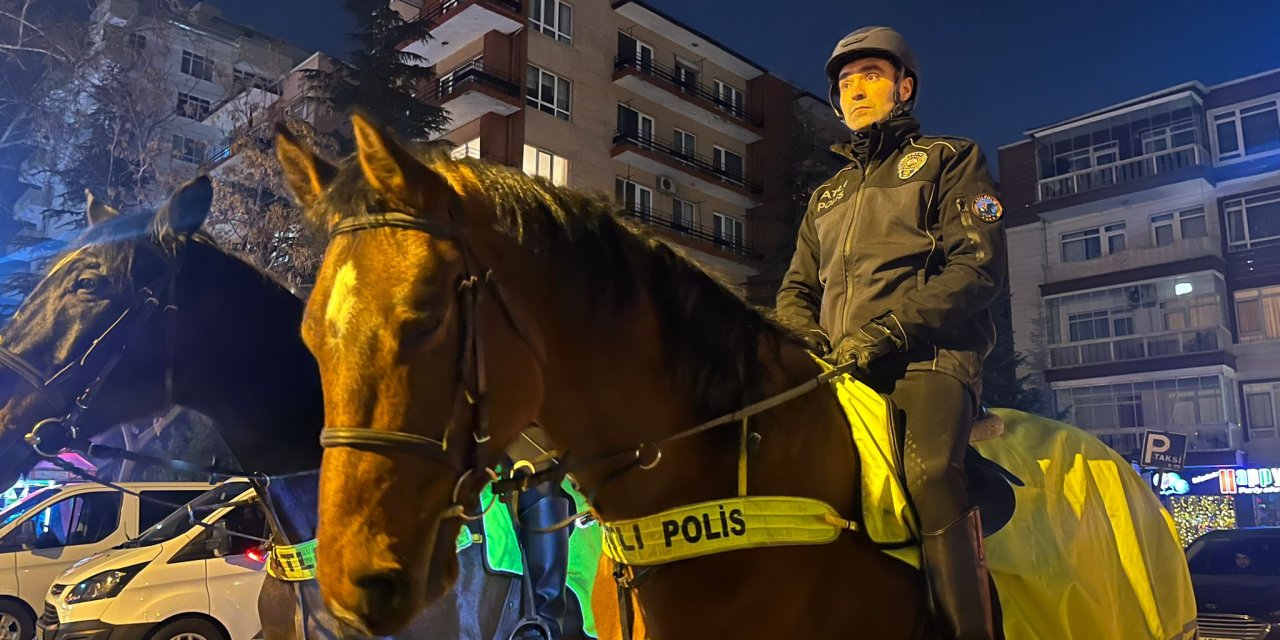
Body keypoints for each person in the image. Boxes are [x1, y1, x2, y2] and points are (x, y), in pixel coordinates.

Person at [776, 26, 1007, 640]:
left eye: (870, 76)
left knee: (929, 473)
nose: (855, 90)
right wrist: (804, 340)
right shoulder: (825, 196)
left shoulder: (951, 159)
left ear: (904, 87)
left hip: (927, 360)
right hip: (839, 366)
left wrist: (889, 329)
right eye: (845, 83)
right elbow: (797, 290)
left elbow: (976, 269)